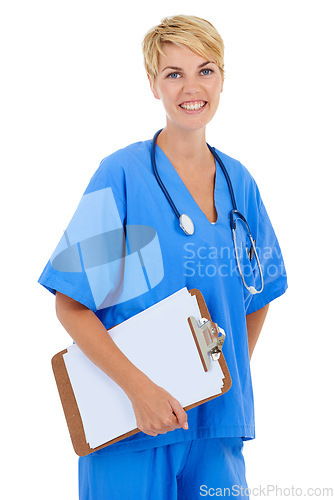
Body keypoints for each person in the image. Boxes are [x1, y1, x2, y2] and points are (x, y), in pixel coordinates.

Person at [38, 14, 288, 500]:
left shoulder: (240, 183)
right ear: (153, 84)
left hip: (216, 427)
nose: (191, 87)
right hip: (132, 428)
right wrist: (141, 392)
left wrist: (219, 374)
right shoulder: (122, 175)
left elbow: (259, 295)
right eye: (173, 73)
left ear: (222, 78)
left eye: (205, 70)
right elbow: (70, 303)